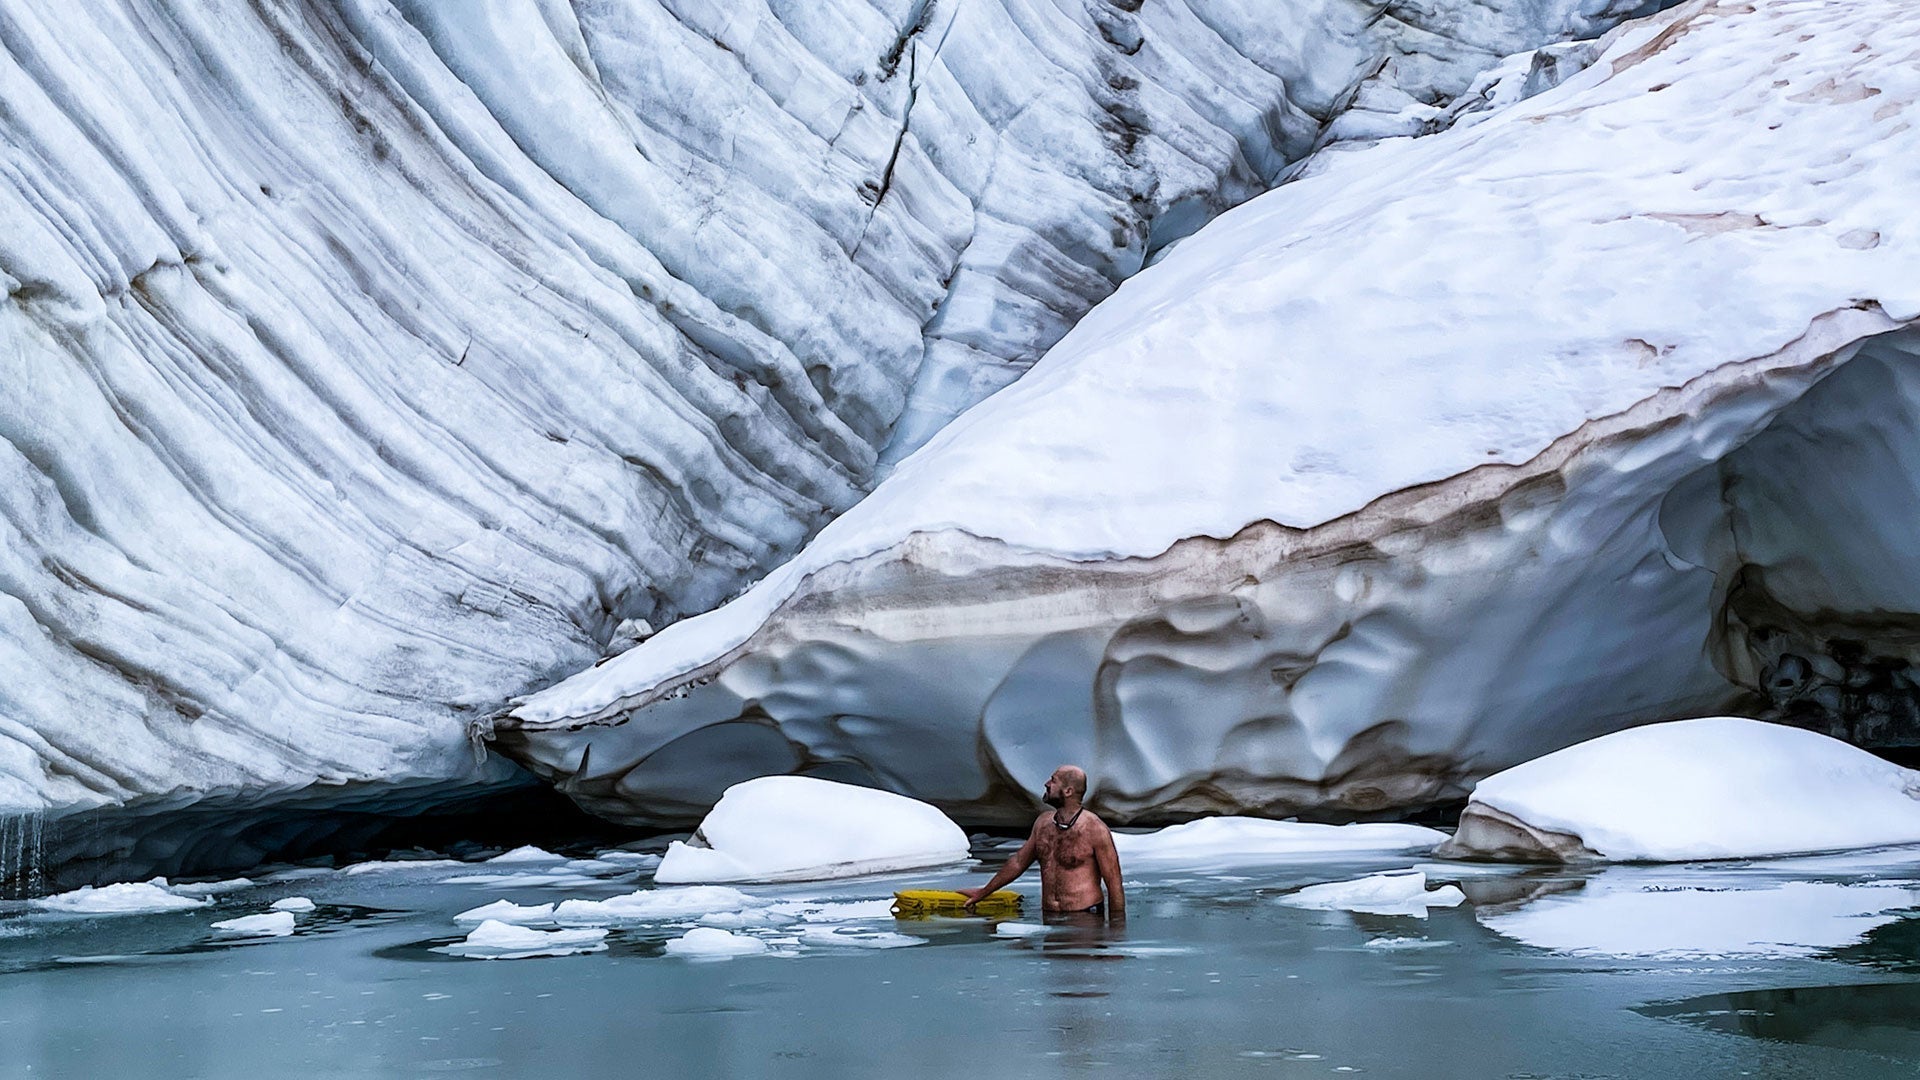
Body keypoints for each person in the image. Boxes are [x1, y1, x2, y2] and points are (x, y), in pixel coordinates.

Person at [959, 764, 1125, 919]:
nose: (1046, 784)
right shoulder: (1043, 824)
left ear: (1068, 791)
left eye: (1053, 781)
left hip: (1085, 919)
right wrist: (983, 892)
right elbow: (1018, 862)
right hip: (1050, 917)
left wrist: (1115, 930)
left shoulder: (1094, 829)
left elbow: (1113, 882)